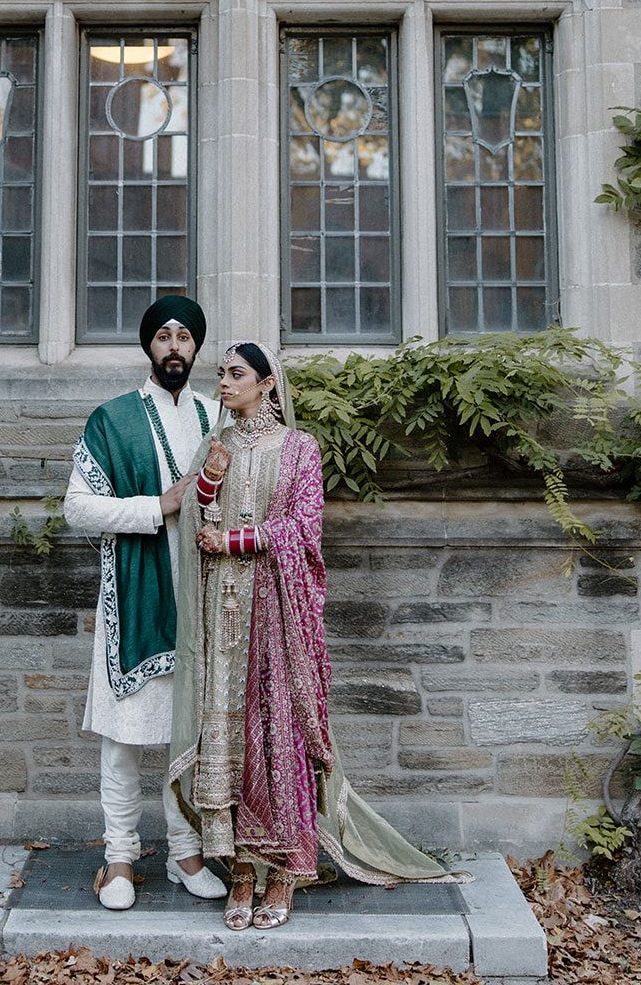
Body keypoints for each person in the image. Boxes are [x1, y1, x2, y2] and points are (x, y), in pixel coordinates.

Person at [168, 342, 464, 931]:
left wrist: (235, 541)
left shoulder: (300, 448)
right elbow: (197, 519)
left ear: (267, 384)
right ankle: (242, 869)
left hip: (278, 608)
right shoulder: (216, 444)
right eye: (221, 374)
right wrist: (210, 481)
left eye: (236, 374)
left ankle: (285, 870)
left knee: (280, 727)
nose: (223, 383)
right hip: (223, 610)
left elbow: (304, 528)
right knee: (228, 732)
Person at [63, 296, 227, 912]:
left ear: (197, 347)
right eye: (163, 336)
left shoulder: (218, 416)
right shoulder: (112, 419)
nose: (174, 346)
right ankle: (120, 858)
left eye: (185, 336)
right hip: (133, 597)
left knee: (189, 735)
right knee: (126, 737)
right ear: (148, 346)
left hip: (203, 599)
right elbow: (78, 508)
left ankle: (186, 853)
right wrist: (160, 504)